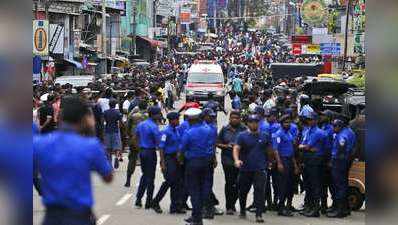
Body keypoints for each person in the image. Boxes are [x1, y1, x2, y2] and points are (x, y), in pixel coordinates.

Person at [34, 96, 113, 225]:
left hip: (52, 216)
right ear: (84, 119)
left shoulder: (40, 143)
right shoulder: (91, 145)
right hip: (80, 216)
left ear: (59, 118)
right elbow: (108, 177)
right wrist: (92, 132)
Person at [180, 108, 216, 225]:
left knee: (194, 190)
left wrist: (181, 161)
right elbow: (212, 146)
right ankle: (200, 213)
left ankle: (197, 219)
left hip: (193, 163)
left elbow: (182, 149)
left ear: (190, 120)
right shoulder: (209, 130)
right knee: (205, 189)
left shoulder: (189, 132)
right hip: (206, 162)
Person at [233, 114, 271, 223]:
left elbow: (269, 150)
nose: (254, 124)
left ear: (258, 123)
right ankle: (242, 211)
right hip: (245, 168)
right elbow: (236, 148)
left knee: (260, 191)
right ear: (247, 123)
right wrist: (236, 160)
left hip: (260, 168)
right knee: (243, 191)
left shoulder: (264, 136)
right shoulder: (242, 136)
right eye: (251, 122)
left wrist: (270, 162)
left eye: (256, 122)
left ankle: (259, 214)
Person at [151, 112, 185, 214]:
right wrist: (162, 162)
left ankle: (175, 206)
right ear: (171, 120)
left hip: (176, 158)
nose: (178, 121)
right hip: (169, 158)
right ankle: (155, 201)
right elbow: (161, 147)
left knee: (177, 183)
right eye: (177, 119)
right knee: (169, 181)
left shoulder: (176, 130)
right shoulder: (165, 132)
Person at [217, 110, 247, 215]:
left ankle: (234, 202)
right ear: (229, 119)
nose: (234, 119)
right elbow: (217, 143)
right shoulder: (225, 129)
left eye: (236, 118)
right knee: (229, 183)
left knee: (239, 183)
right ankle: (229, 206)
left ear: (240, 119)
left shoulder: (244, 129)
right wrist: (226, 146)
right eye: (232, 118)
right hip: (227, 160)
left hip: (240, 161)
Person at [298, 112, 327, 217]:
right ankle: (309, 207)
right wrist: (304, 147)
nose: (309, 121)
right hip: (308, 160)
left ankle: (315, 209)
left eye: (311, 119)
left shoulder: (318, 132)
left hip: (316, 161)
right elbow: (302, 145)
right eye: (308, 119)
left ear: (316, 120)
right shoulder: (308, 130)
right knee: (308, 185)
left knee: (315, 185)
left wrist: (304, 147)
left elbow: (306, 146)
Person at [327, 118, 356, 218]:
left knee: (339, 185)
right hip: (345, 160)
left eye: (335, 126)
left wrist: (334, 160)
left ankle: (339, 210)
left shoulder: (342, 136)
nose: (333, 128)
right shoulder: (350, 132)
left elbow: (341, 149)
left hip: (339, 161)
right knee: (343, 184)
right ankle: (344, 208)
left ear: (340, 126)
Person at [135, 106, 162, 209]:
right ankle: (148, 201)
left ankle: (138, 198)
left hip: (142, 151)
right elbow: (158, 143)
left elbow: (135, 137)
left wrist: (139, 148)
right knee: (151, 177)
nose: (160, 115)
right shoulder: (154, 127)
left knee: (144, 175)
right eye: (158, 114)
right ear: (154, 115)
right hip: (150, 152)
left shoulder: (141, 124)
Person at [272, 115, 299, 217]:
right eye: (285, 122)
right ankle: (281, 207)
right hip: (283, 160)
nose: (287, 124)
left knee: (289, 184)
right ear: (281, 123)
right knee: (283, 185)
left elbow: (291, 150)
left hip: (290, 160)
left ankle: (288, 206)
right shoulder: (278, 134)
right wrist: (279, 163)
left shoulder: (289, 133)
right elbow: (276, 150)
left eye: (289, 122)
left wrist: (295, 165)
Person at [124, 100, 148, 187]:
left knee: (132, 160)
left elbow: (127, 127)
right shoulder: (148, 117)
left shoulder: (133, 116)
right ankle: (145, 180)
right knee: (146, 162)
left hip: (134, 140)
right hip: (145, 142)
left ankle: (128, 180)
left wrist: (129, 136)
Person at [103, 98, 123, 169]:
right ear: (115, 105)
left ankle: (110, 164)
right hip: (115, 130)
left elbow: (104, 121)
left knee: (108, 148)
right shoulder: (118, 113)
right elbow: (121, 123)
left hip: (108, 130)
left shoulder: (105, 112)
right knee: (117, 147)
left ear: (109, 105)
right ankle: (116, 157)